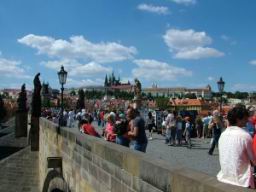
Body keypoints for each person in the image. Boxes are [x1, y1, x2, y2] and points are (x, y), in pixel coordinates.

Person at [217, 104, 256, 188]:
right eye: (245, 118)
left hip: (224, 177)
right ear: (238, 119)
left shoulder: (223, 134)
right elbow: (254, 160)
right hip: (241, 181)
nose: (247, 120)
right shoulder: (245, 136)